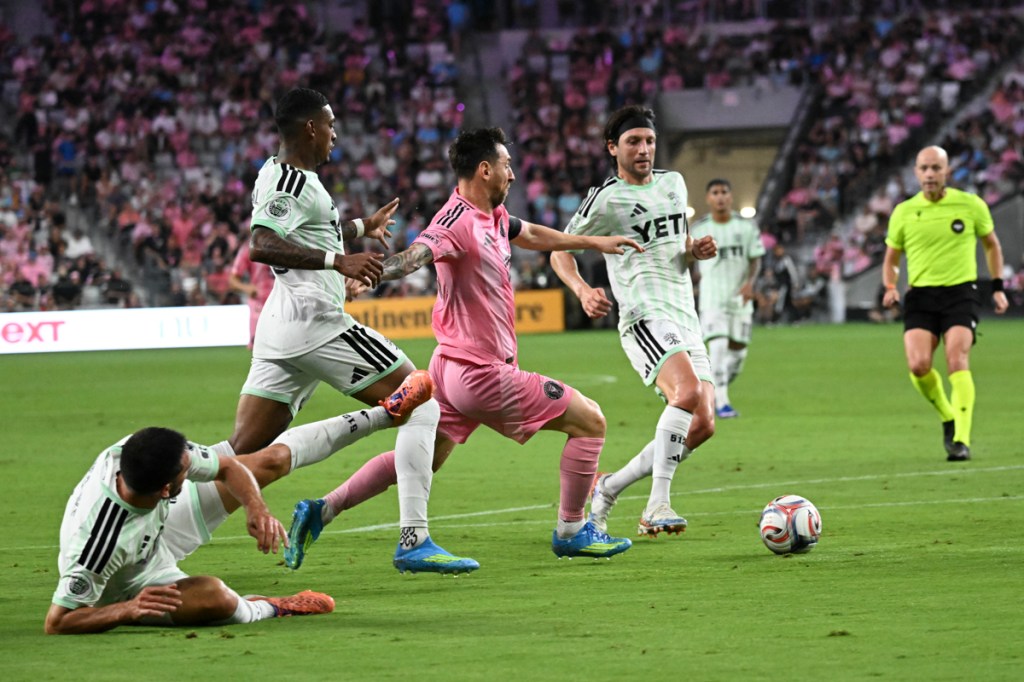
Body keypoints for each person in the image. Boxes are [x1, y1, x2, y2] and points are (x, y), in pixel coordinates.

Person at [285, 127, 645, 568]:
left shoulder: (491, 214)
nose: (512, 174)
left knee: (421, 459)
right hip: (481, 373)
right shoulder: (453, 222)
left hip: (449, 369)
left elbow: (529, 233)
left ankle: (322, 509)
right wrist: (371, 274)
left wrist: (594, 242)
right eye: (507, 165)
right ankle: (571, 529)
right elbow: (413, 257)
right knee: (590, 421)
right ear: (485, 169)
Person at [228, 88, 475, 574]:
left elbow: (307, 235)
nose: (336, 134)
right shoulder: (292, 182)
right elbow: (261, 244)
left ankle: (159, 511)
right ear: (310, 129)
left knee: (241, 452)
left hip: (283, 327)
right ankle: (414, 539)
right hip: (315, 322)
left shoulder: (280, 175)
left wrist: (361, 228)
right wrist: (339, 261)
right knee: (422, 400)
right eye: (331, 124)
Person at [45, 385, 429, 635]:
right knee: (217, 599)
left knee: (262, 464)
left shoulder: (140, 450)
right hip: (129, 577)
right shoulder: (97, 545)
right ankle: (272, 607)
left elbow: (229, 467)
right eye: (185, 471)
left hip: (156, 518)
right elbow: (58, 621)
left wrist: (255, 507)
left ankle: (385, 413)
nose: (191, 467)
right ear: (166, 487)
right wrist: (126, 609)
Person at [549, 104, 718, 538]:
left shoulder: (674, 184)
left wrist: (693, 249)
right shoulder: (606, 198)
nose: (644, 149)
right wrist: (583, 290)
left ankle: (609, 487)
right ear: (613, 148)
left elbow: (678, 242)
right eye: (633, 142)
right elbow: (560, 248)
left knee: (702, 424)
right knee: (687, 392)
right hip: (644, 315)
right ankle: (658, 504)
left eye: (649, 141)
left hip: (685, 315)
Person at [882, 145, 1008, 462]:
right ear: (915, 171)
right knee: (918, 365)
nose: (929, 174)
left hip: (960, 293)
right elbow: (892, 258)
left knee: (956, 359)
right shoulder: (904, 212)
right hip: (921, 295)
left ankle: (961, 440)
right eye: (924, 168)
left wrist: (997, 287)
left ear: (947, 171)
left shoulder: (970, 205)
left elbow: (992, 245)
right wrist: (889, 285)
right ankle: (947, 415)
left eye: (936, 168)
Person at [690, 178, 765, 418]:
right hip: (712, 299)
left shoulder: (746, 227)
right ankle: (720, 403)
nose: (720, 196)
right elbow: (687, 259)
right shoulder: (699, 229)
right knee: (718, 348)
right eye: (715, 192)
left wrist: (750, 285)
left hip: (740, 301)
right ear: (708, 198)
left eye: (724, 192)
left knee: (737, 357)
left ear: (730, 197)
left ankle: (713, 392)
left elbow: (756, 258)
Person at [228, 235, 274, 349]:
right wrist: (247, 288)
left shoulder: (288, 244)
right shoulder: (249, 248)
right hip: (260, 303)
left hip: (283, 301)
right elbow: (233, 280)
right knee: (258, 348)